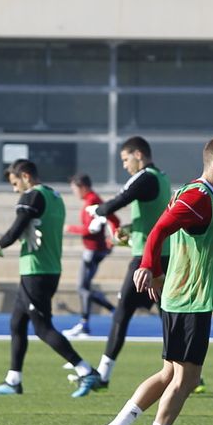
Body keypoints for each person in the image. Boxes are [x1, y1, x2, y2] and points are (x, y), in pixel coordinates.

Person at [90, 137, 213, 425]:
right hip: (189, 300)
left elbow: (167, 229)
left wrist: (159, 272)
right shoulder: (198, 197)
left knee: (169, 375)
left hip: (182, 296)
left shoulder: (196, 194)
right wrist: (148, 266)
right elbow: (160, 228)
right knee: (186, 379)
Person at [0, 160, 102, 397]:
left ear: (25, 176)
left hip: (36, 271)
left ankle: (86, 371)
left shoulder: (31, 196)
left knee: (43, 328)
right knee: (17, 322)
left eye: (15, 183)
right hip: (48, 268)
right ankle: (13, 380)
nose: (15, 189)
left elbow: (15, 230)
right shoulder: (55, 196)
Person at [76, 137, 170, 393]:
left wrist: (96, 212)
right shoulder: (161, 178)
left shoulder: (146, 176)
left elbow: (120, 199)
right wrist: (129, 230)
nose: (125, 166)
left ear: (138, 154)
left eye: (126, 159)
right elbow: (154, 218)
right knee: (167, 316)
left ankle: (103, 375)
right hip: (162, 254)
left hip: (146, 259)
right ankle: (191, 373)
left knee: (122, 313)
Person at [62, 173, 117, 340]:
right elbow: (109, 219)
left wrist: (70, 228)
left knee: (83, 287)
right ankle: (108, 313)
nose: (74, 192)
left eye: (74, 189)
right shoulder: (92, 200)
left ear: (82, 187)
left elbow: (90, 228)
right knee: (84, 287)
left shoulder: (92, 201)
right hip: (93, 249)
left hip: (93, 250)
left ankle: (87, 323)